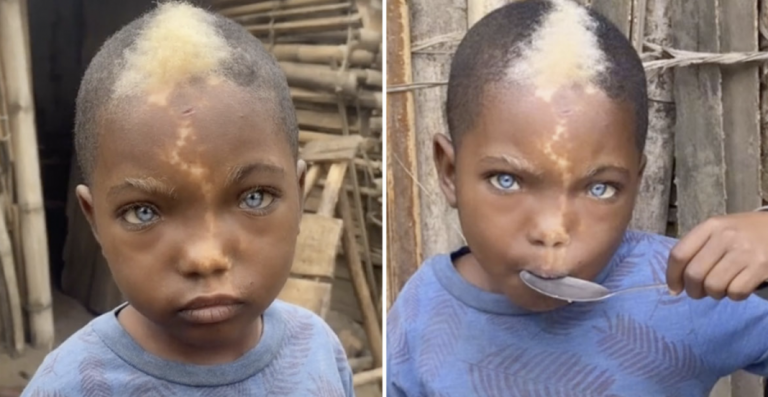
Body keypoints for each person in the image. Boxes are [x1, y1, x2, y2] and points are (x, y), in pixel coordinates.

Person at [386, 0, 768, 395]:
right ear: (450, 173)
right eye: (506, 180)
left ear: (636, 184)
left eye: (599, 188)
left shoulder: (687, 292)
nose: (552, 230)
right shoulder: (421, 313)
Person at [22, 2, 353, 395]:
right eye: (143, 212)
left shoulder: (318, 349)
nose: (205, 257)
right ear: (93, 220)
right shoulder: (68, 386)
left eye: (254, 197)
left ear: (299, 198)